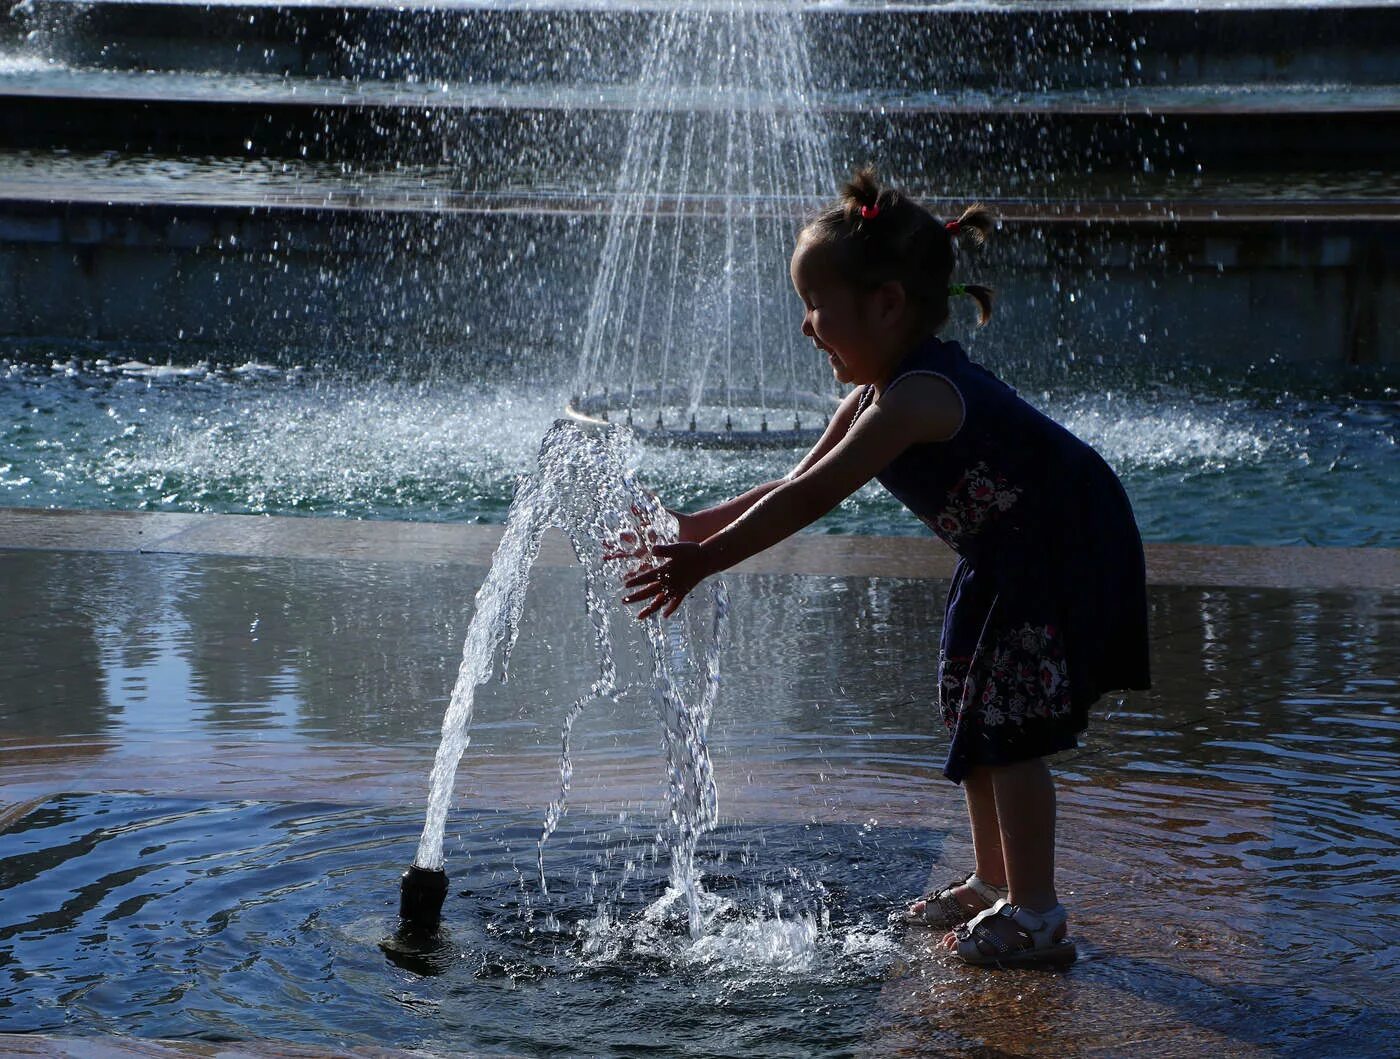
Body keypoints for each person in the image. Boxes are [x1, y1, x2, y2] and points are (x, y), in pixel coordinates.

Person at [619, 169, 1151, 969]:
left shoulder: (920, 397)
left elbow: (812, 503)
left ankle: (1038, 912)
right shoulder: (876, 391)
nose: (805, 327)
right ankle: (991, 881)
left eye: (816, 306)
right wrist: (687, 526)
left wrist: (703, 563)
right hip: (1003, 554)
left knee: (1011, 732)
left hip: (1062, 551)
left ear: (888, 304)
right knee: (975, 716)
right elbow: (791, 483)